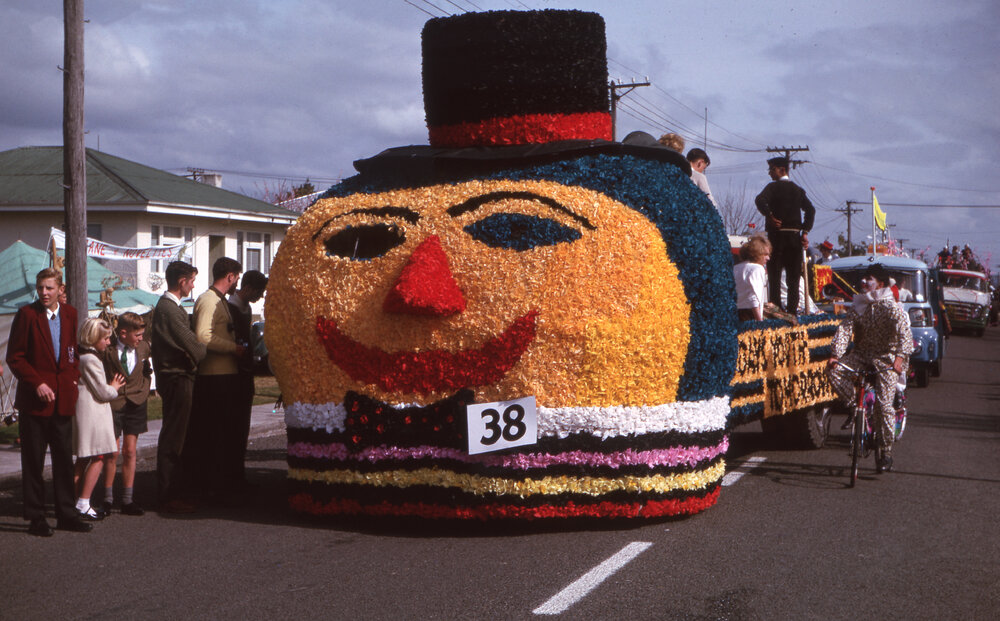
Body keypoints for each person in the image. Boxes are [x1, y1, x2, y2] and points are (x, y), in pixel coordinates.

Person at [5, 268, 90, 536]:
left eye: (49, 288)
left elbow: (72, 353)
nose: (43, 293)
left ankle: (66, 514)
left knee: (64, 460)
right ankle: (36, 518)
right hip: (35, 402)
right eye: (40, 288)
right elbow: (15, 358)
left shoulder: (70, 314)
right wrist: (37, 383)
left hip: (63, 400)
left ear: (60, 290)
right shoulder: (27, 315)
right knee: (34, 461)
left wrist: (72, 379)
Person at [827, 264, 913, 473]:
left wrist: (900, 358)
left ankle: (885, 451)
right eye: (863, 278)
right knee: (834, 371)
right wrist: (835, 355)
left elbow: (905, 334)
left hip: (887, 359)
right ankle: (858, 409)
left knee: (884, 405)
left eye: (870, 279)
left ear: (880, 284)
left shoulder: (890, 306)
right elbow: (845, 330)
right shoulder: (860, 305)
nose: (864, 282)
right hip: (862, 354)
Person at [184, 257, 245, 499]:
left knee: (224, 435)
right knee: (214, 435)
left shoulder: (221, 301)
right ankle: (211, 487)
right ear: (229, 276)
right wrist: (233, 348)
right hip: (214, 377)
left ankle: (221, 484)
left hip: (226, 375)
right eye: (236, 278)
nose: (236, 283)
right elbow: (202, 336)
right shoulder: (208, 300)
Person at [151, 261, 206, 514]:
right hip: (177, 378)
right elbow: (194, 347)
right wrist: (200, 349)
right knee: (174, 438)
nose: (193, 285)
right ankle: (167, 495)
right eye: (192, 280)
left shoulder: (170, 308)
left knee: (178, 437)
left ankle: (174, 492)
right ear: (182, 281)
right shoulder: (169, 309)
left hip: (177, 376)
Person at [99, 311, 152, 516]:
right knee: (112, 452)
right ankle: (107, 498)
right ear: (123, 333)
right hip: (115, 404)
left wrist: (145, 388)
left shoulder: (144, 348)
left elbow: (147, 370)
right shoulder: (108, 351)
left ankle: (128, 500)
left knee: (130, 451)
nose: (141, 339)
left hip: (137, 403)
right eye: (137, 335)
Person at [73, 318, 126, 521]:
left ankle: (75, 499)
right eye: (105, 338)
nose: (108, 342)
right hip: (93, 413)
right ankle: (83, 502)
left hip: (85, 411)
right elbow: (103, 392)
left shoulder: (82, 355)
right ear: (94, 338)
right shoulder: (91, 359)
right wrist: (114, 387)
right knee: (99, 456)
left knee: (83, 457)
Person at [755, 156, 815, 314]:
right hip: (795, 239)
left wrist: (769, 215)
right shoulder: (798, 189)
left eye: (772, 169)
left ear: (782, 170)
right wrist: (805, 231)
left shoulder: (772, 187)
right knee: (793, 279)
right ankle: (792, 312)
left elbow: (760, 200)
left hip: (777, 239)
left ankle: (776, 310)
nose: (769, 173)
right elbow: (810, 210)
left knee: (774, 277)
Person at [226, 270, 268, 490]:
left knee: (243, 428)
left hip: (245, 376)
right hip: (232, 375)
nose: (260, 297)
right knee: (232, 429)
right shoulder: (229, 308)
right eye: (259, 292)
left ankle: (238, 475)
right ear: (249, 287)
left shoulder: (247, 308)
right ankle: (229, 477)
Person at [734, 236, 770, 321]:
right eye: (765, 254)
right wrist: (760, 322)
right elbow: (754, 298)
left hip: (735, 314)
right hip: (750, 315)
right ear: (757, 253)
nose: (768, 258)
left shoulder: (735, 268)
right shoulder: (758, 269)